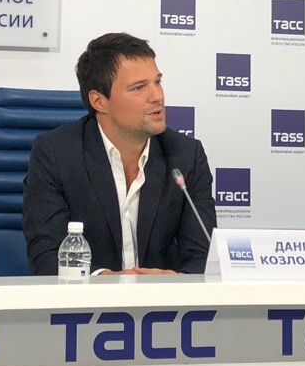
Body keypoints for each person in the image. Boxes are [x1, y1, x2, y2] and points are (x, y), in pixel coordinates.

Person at [23, 32, 216, 275]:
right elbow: (46, 257)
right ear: (99, 101)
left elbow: (203, 256)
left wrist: (174, 279)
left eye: (157, 82)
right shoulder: (55, 154)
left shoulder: (186, 156)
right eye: (139, 88)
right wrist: (106, 280)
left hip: (163, 298)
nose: (157, 96)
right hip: (87, 297)